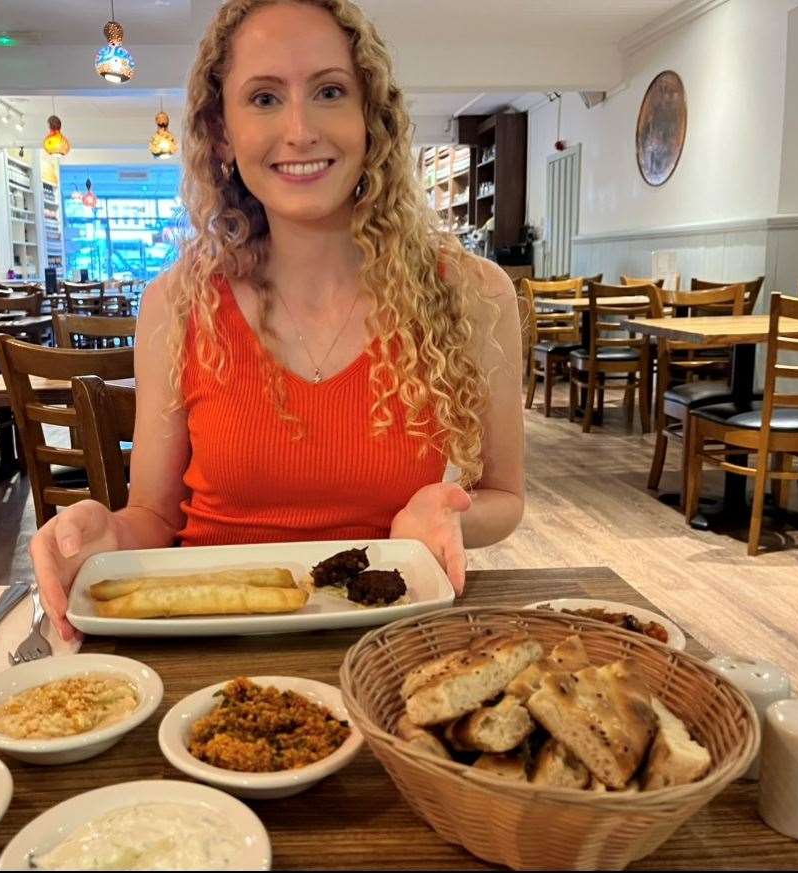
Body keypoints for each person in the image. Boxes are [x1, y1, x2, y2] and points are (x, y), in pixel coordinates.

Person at [32, 0, 525, 641]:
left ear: (371, 118)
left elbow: (504, 497)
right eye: (264, 98)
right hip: (210, 645)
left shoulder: (472, 293)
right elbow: (153, 514)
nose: (299, 129)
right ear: (223, 132)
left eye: (329, 91)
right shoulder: (176, 303)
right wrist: (106, 537)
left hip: (391, 642)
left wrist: (451, 515)